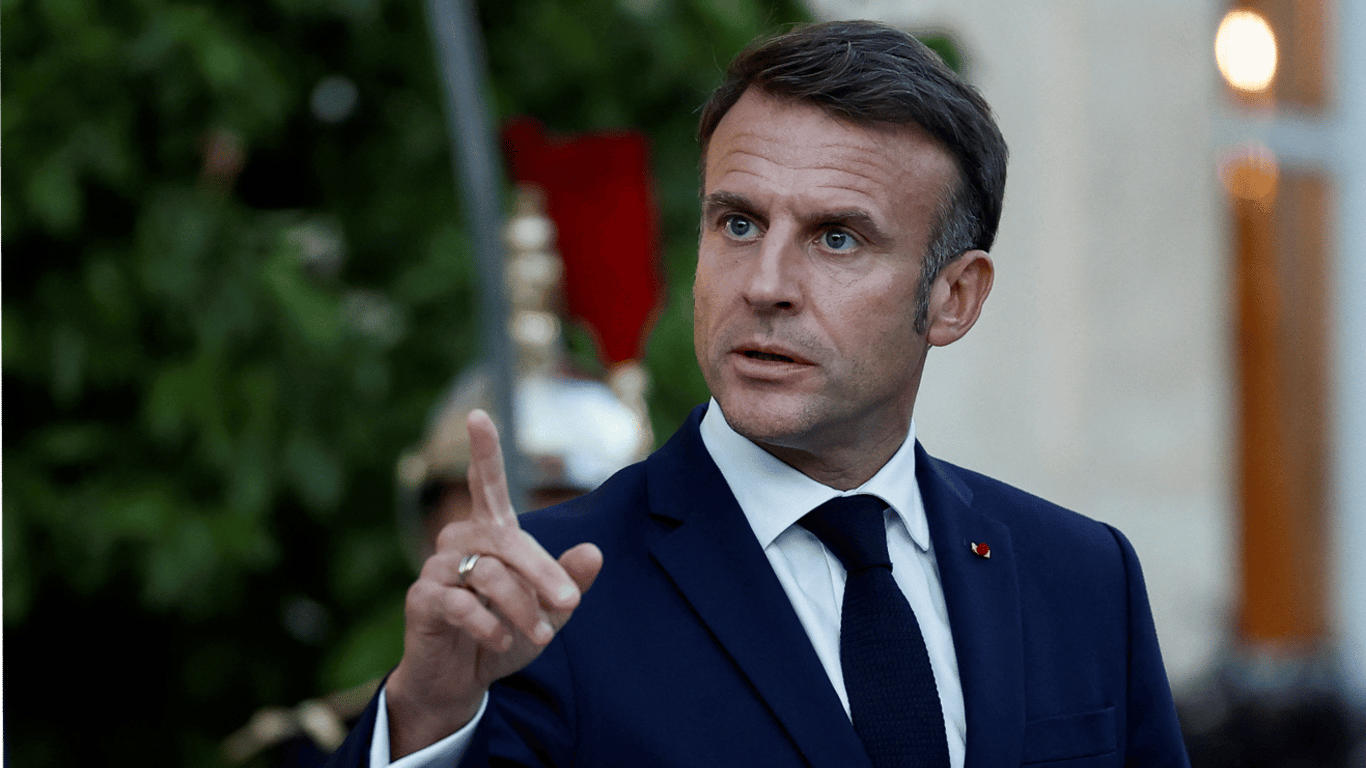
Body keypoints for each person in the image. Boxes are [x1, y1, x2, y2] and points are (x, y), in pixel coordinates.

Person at [327, 19, 1191, 768]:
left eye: (837, 238)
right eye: (738, 223)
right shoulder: (547, 597)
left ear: (954, 297)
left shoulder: (1082, 579)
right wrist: (427, 716)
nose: (766, 284)